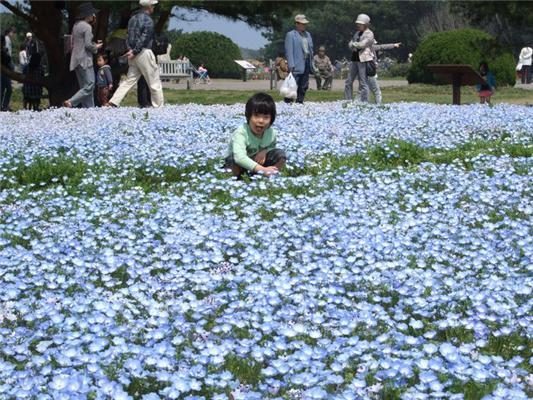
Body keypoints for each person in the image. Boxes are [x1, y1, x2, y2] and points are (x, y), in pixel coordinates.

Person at [107, 0, 164, 108]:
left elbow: (128, 36)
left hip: (132, 53)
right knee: (154, 81)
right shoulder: (148, 20)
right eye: (153, 6)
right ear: (149, 6)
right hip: (144, 52)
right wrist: (135, 50)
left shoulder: (132, 19)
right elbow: (145, 38)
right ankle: (159, 106)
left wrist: (130, 50)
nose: (154, 8)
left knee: (129, 80)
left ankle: (113, 101)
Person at [224, 92, 286, 179]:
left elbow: (272, 146)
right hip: (238, 164)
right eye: (256, 116)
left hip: (257, 162)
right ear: (248, 116)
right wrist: (262, 170)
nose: (261, 120)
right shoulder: (241, 133)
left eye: (266, 117)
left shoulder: (271, 133)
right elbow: (239, 158)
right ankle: (236, 180)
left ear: (271, 119)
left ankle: (272, 176)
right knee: (233, 160)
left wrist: (265, 151)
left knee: (280, 155)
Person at [63, 3, 103, 108]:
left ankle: (89, 110)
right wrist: (97, 47)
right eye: (93, 13)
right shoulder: (87, 27)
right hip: (84, 60)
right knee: (90, 85)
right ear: (88, 15)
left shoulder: (76, 25)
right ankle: (71, 101)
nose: (94, 15)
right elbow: (88, 45)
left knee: (84, 88)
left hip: (75, 60)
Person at [284, 14, 314, 103]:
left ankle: (300, 101)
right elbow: (289, 51)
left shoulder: (308, 34)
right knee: (293, 83)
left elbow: (311, 49)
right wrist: (291, 64)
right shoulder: (290, 35)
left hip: (307, 61)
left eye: (305, 24)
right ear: (297, 24)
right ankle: (288, 101)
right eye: (302, 24)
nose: (304, 25)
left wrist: (312, 62)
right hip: (296, 63)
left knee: (304, 84)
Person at [344, 14, 374, 102]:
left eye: (360, 24)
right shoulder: (357, 33)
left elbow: (362, 45)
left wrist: (354, 44)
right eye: (358, 24)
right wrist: (353, 44)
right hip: (354, 59)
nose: (358, 25)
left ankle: (365, 102)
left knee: (363, 82)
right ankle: (348, 100)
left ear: (365, 24)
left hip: (363, 60)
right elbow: (350, 44)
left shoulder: (370, 34)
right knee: (348, 81)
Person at [1, 35, 14, 111]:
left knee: (3, 90)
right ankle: (5, 105)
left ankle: (3, 105)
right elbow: (8, 60)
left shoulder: (4, 50)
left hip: (5, 72)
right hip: (4, 73)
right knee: (8, 89)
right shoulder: (3, 51)